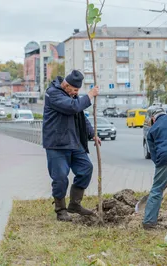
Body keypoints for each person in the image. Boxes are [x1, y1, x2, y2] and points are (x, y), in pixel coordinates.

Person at [43, 70, 101, 222]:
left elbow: (81, 116)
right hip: (57, 144)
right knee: (60, 177)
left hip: (74, 142)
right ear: (66, 85)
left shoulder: (72, 96)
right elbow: (73, 107)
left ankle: (75, 204)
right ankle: (60, 210)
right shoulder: (53, 94)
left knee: (86, 168)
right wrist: (89, 95)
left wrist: (92, 134)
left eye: (78, 91)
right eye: (75, 90)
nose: (76, 93)